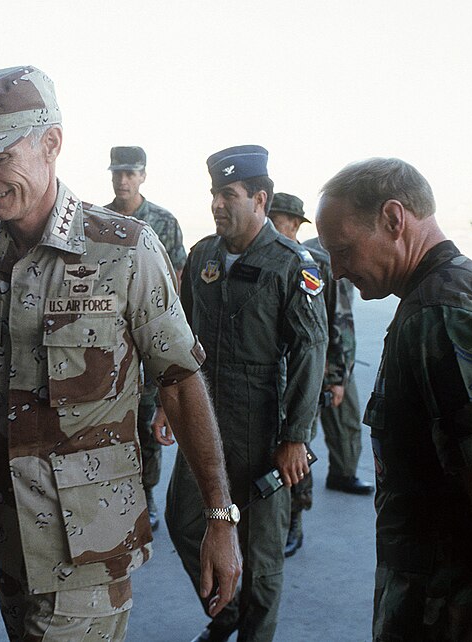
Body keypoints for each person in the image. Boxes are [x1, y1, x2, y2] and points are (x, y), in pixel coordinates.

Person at [0, 65, 242, 641]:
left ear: (51, 143)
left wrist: (219, 516)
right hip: (7, 532)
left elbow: (180, 381)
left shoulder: (127, 251)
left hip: (91, 545)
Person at [316, 157, 472, 641]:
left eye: (342, 250)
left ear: (394, 219)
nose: (335, 272)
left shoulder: (437, 316)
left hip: (454, 613)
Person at [168, 147, 328, 642]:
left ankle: (254, 633)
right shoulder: (202, 256)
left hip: (263, 418)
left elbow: (310, 351)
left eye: (228, 194)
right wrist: (165, 407)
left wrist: (295, 436)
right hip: (205, 408)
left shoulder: (291, 264)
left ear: (260, 199)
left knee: (260, 556)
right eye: (214, 193)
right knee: (184, 520)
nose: (217, 204)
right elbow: (183, 338)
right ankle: (226, 610)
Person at [266, 193, 371, 558]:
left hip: (310, 372)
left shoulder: (314, 263)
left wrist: (337, 375)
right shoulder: (264, 259)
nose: (272, 227)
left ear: (294, 225)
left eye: (279, 221)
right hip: (272, 377)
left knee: (299, 449)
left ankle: (295, 520)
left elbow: (337, 323)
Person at [103, 145, 188, 532]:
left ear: (143, 175)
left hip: (150, 336)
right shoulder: (98, 220)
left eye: (130, 173)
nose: (123, 180)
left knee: (148, 420)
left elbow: (179, 279)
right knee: (107, 420)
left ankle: (147, 493)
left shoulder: (163, 222)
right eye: (117, 172)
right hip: (108, 339)